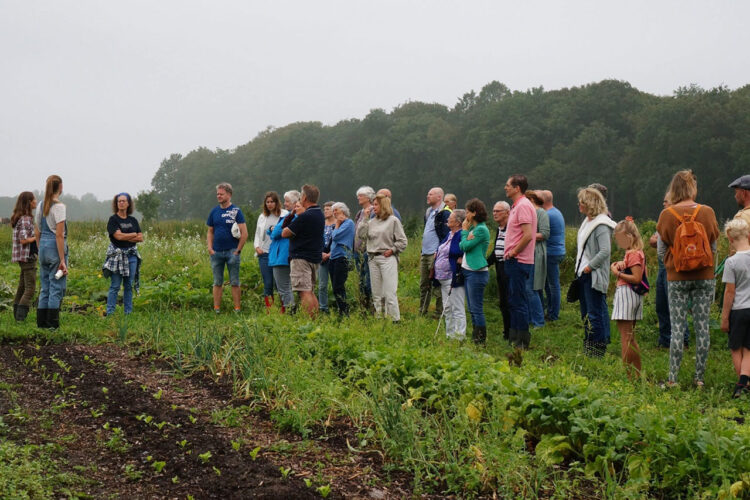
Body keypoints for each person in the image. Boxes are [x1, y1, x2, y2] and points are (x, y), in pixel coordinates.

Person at [656, 170, 719, 387]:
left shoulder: (667, 215)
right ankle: (698, 378)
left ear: (673, 189)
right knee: (702, 327)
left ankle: (672, 378)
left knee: (677, 327)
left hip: (677, 278)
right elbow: (713, 246)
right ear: (693, 187)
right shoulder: (707, 212)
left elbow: (660, 249)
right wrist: (711, 273)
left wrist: (671, 267)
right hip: (704, 277)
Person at [575, 187, 617, 357]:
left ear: (590, 204)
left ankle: (597, 350)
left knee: (594, 313)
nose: (579, 204)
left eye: (582, 201)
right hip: (584, 274)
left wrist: (588, 267)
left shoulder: (601, 224)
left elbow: (605, 251)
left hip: (592, 275)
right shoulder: (588, 221)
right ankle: (589, 346)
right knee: (586, 313)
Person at [357, 193, 407, 322]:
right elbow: (361, 235)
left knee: (390, 291)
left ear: (383, 205)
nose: (373, 207)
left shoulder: (393, 220)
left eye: (376, 204)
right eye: (373, 205)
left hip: (387, 257)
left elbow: (402, 241)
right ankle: (379, 317)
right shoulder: (371, 222)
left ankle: (395, 319)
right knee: (376, 292)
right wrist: (365, 219)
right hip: (372, 258)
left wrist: (393, 250)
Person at [650, 193, 690, 349]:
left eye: (666, 201)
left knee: (676, 305)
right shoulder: (664, 218)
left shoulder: (678, 219)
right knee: (661, 305)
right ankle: (665, 339)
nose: (663, 204)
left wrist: (659, 242)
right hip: (662, 267)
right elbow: (654, 239)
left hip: (672, 266)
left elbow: (659, 241)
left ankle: (682, 340)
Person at [503, 175, 537, 349]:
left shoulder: (523, 206)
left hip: (518, 260)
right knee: (514, 300)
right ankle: (514, 337)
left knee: (519, 301)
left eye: (508, 185)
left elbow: (528, 235)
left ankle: (521, 341)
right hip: (514, 260)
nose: (505, 187)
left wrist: (514, 252)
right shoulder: (516, 206)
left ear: (517, 188)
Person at [610, 218, 645, 378]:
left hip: (626, 294)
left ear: (630, 236)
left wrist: (617, 273)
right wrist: (621, 264)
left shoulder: (633, 254)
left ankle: (628, 374)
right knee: (630, 337)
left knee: (625, 337)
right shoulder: (633, 253)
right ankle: (636, 373)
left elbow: (636, 278)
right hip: (631, 296)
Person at [282, 185, 325, 317]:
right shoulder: (319, 214)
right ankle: (315, 319)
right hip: (314, 257)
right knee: (310, 291)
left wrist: (296, 215)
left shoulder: (305, 216)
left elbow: (284, 232)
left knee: (303, 292)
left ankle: (309, 322)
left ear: (305, 197)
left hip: (301, 258)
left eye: (301, 196)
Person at [206, 183, 248, 313]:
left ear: (229, 195)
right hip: (216, 252)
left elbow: (244, 232)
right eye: (217, 194)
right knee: (217, 282)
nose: (218, 196)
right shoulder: (214, 211)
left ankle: (237, 309)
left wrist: (238, 250)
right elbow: (210, 231)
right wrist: (210, 248)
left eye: (221, 194)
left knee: (235, 282)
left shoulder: (236, 211)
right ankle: (217, 309)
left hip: (232, 252)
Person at [720, 219, 750, 397]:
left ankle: (740, 384)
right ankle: (746, 381)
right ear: (748, 235)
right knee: (748, 348)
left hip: (738, 310)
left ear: (730, 240)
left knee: (735, 347)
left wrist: (725, 317)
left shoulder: (731, 262)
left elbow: (729, 292)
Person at [103, 193, 143, 316]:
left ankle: (128, 313)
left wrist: (125, 237)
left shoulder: (133, 220)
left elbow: (140, 238)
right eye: (119, 201)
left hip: (131, 256)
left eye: (123, 201)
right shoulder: (113, 220)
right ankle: (110, 313)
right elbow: (117, 236)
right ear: (116, 204)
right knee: (115, 285)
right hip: (117, 256)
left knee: (128, 285)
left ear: (128, 203)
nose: (121, 203)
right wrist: (132, 235)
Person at [36, 175, 67, 329]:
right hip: (55, 249)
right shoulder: (60, 207)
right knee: (56, 287)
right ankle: (52, 325)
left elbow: (38, 230)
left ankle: (41, 323)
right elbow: (59, 235)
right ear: (60, 187)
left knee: (45, 286)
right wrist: (62, 259)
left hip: (42, 248)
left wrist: (40, 247)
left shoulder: (41, 205)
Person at [460, 199, 490, 344]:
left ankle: (480, 339)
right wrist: (466, 235)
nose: (465, 215)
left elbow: (465, 246)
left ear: (474, 213)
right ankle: (475, 336)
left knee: (476, 308)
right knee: (471, 307)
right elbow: (463, 244)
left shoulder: (481, 230)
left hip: (476, 272)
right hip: (468, 270)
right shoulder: (474, 229)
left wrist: (464, 232)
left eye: (467, 212)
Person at [434, 209, 466, 340]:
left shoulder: (461, 234)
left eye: (451, 218)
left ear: (458, 222)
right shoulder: (449, 234)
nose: (447, 219)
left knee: (457, 307)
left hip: (453, 276)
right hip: (442, 277)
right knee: (447, 308)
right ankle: (450, 335)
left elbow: (463, 250)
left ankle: (459, 337)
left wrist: (460, 259)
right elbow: (442, 248)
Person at [420, 187, 451, 316]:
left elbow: (446, 235)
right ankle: (422, 311)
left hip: (436, 254)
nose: (427, 196)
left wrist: (439, 251)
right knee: (424, 284)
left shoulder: (445, 213)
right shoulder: (429, 212)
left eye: (430, 194)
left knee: (437, 283)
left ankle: (439, 312)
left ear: (439, 197)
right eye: (427, 194)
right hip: (425, 253)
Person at [11, 191, 38, 322]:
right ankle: (20, 318)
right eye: (34, 200)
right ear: (28, 202)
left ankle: (16, 315)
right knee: (30, 288)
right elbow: (23, 240)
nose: (36, 202)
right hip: (27, 257)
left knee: (22, 287)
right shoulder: (26, 219)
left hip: (23, 258)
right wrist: (37, 237)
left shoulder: (20, 217)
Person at [254, 191, 283, 313]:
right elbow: (257, 234)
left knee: (279, 284)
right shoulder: (262, 216)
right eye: (268, 202)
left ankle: (283, 308)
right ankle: (269, 310)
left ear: (277, 203)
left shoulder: (283, 215)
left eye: (272, 202)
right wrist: (256, 247)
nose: (270, 204)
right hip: (264, 254)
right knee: (268, 283)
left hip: (277, 253)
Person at [268, 191, 296, 313]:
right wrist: (272, 229)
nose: (285, 204)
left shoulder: (291, 217)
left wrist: (273, 229)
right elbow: (271, 231)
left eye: (287, 201)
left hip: (282, 256)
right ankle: (291, 310)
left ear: (295, 203)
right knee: (286, 287)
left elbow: (274, 233)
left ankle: (291, 312)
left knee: (284, 287)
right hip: (282, 255)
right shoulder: (288, 217)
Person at [486, 201, 511, 340]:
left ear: (507, 212)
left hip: (509, 266)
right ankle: (506, 331)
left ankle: (512, 332)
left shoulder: (511, 228)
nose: (495, 213)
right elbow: (496, 252)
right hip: (499, 267)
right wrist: (484, 264)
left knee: (509, 301)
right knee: (503, 301)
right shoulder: (499, 229)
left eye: (498, 211)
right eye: (494, 211)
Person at [541, 190, 565, 321]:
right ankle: (550, 310)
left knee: (553, 285)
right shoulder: (556, 212)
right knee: (548, 284)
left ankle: (553, 314)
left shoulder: (548, 215)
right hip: (556, 251)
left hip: (551, 252)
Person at [526, 191, 548, 328]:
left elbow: (545, 233)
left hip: (537, 253)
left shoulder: (541, 213)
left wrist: (526, 234)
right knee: (532, 288)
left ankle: (538, 322)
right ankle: (533, 318)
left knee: (531, 288)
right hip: (527, 253)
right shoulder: (528, 213)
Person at [329, 202, 355, 315]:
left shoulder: (348, 223)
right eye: (333, 210)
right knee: (335, 286)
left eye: (336, 210)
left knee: (338, 286)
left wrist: (338, 224)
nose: (334, 213)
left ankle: (345, 312)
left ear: (343, 211)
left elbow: (335, 236)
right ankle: (342, 310)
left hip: (342, 257)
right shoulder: (337, 225)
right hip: (333, 257)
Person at [353, 186, 375, 311]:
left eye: (360, 196)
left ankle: (372, 305)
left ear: (368, 197)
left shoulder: (372, 211)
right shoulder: (359, 213)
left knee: (368, 281)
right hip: (357, 252)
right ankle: (363, 305)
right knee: (360, 280)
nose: (358, 198)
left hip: (367, 251)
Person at [318, 201, 336, 313]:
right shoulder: (322, 224)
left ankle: (338, 306)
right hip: (321, 257)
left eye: (328, 209)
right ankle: (323, 308)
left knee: (336, 284)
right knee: (322, 285)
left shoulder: (338, 224)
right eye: (324, 209)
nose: (325, 211)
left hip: (334, 256)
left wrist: (329, 254)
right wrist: (320, 253)